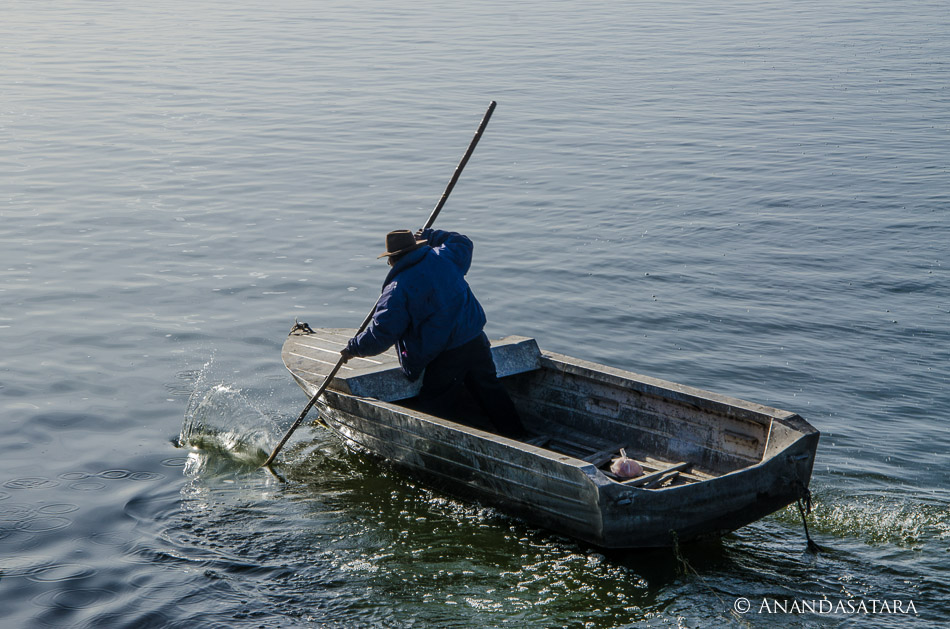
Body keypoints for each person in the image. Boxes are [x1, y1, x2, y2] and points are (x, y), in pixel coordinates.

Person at [339, 228, 528, 439]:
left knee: (435, 403)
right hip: (475, 340)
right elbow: (462, 242)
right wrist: (432, 235)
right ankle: (517, 434)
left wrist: (353, 347)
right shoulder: (444, 257)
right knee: (489, 389)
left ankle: (440, 447)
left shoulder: (397, 289)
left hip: (446, 355)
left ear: (393, 259)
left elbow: (381, 334)